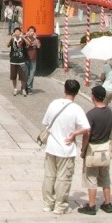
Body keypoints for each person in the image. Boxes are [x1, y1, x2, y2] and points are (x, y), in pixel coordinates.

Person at [41, 79, 90, 215]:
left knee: (49, 176)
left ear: (65, 89)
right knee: (63, 178)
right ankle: (60, 206)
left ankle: (48, 203)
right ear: (77, 92)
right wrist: (74, 133)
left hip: (51, 146)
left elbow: (46, 122)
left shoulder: (54, 103)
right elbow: (86, 128)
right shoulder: (76, 109)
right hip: (66, 148)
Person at [78, 85, 112, 215]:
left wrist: (83, 150)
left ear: (93, 97)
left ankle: (92, 205)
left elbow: (87, 134)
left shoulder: (91, 114)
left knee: (91, 178)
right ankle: (108, 203)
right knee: (105, 176)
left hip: (93, 148)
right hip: (105, 148)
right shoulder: (111, 112)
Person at [7, 26, 28, 96]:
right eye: (16, 32)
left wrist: (23, 37)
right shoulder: (13, 39)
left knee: (23, 76)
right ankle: (15, 89)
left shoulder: (22, 40)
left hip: (22, 61)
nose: (17, 33)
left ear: (20, 33)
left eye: (18, 32)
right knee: (13, 76)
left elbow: (28, 44)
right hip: (13, 60)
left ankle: (23, 89)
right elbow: (7, 45)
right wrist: (11, 37)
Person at [25, 26, 40, 94]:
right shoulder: (25, 38)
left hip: (33, 59)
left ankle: (29, 88)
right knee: (26, 74)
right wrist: (25, 36)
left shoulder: (36, 40)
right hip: (26, 58)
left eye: (32, 31)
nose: (31, 32)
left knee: (32, 74)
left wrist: (35, 38)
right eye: (30, 31)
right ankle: (25, 87)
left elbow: (38, 46)